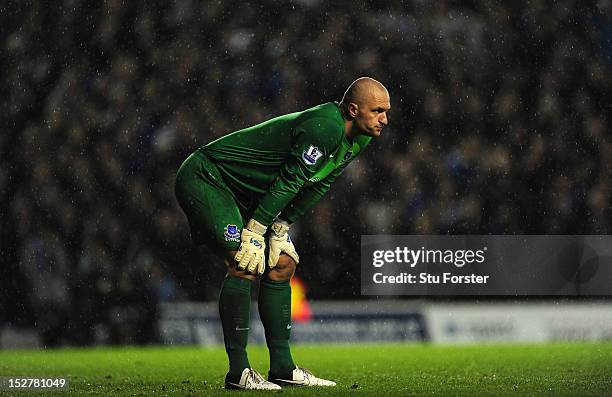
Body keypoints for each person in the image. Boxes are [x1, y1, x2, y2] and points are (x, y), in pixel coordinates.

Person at [175, 77, 390, 390]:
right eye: (378, 110)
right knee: (244, 261)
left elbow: (320, 182)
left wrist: (282, 225)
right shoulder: (325, 127)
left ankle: (283, 368)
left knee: (282, 264)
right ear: (354, 110)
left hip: (247, 194)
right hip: (208, 177)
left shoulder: (361, 137)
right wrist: (258, 229)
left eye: (386, 110)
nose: (385, 118)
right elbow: (290, 181)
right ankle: (238, 372)